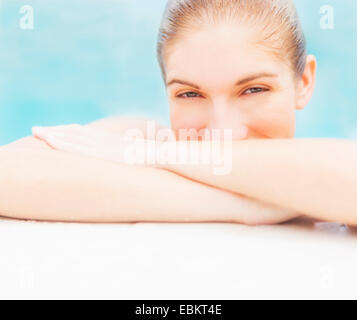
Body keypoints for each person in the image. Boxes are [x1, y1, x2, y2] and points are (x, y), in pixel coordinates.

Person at [1, 0, 356, 225]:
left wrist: (159, 155)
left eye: (253, 89)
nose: (223, 130)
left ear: (303, 82)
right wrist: (245, 205)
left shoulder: (153, 152)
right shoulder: (146, 134)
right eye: (190, 94)